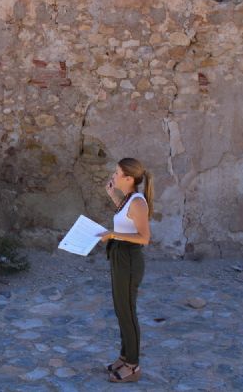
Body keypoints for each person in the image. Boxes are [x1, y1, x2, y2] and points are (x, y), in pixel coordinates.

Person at [98, 158, 153, 383]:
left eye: (117, 173)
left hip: (129, 259)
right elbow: (125, 221)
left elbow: (144, 238)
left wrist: (112, 234)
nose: (114, 175)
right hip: (120, 256)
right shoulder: (129, 199)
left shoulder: (138, 202)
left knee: (127, 311)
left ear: (129, 179)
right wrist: (112, 195)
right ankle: (124, 356)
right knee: (121, 309)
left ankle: (133, 365)